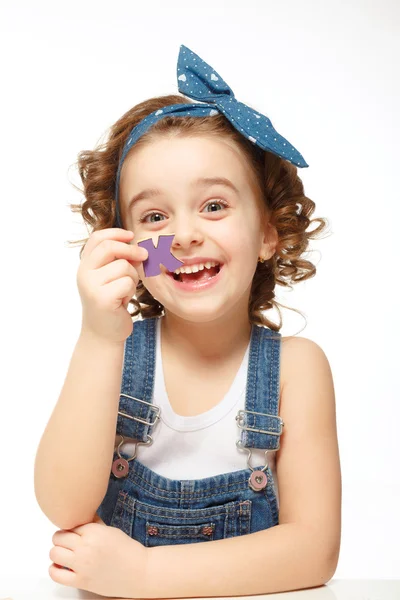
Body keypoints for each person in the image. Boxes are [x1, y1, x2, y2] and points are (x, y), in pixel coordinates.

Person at [35, 45, 341, 597]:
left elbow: (313, 551)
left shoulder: (298, 369)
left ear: (269, 232)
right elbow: (63, 505)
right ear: (127, 246)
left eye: (215, 206)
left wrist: (147, 575)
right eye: (154, 217)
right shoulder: (116, 353)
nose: (183, 236)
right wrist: (98, 337)